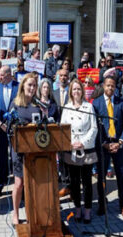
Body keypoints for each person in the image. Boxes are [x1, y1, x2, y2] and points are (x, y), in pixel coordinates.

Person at [0, 73, 40, 225]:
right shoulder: (16, 104)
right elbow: (10, 130)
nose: (32, 88)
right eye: (29, 85)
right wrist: (1, 125)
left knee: (32, 184)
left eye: (34, 85)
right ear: (23, 86)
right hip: (19, 150)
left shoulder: (38, 105)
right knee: (19, 183)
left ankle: (31, 212)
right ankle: (15, 213)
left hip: (34, 151)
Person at [93, 76, 123, 218]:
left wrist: (120, 142)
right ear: (103, 86)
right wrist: (104, 144)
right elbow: (94, 127)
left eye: (113, 86)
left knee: (122, 175)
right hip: (103, 144)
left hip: (118, 144)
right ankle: (102, 204)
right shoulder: (96, 104)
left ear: (115, 87)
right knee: (101, 176)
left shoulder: (121, 103)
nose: (110, 88)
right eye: (108, 85)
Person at [61, 79, 98, 223]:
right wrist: (71, 144)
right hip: (72, 149)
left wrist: (82, 143)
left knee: (87, 182)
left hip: (86, 148)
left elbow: (94, 128)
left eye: (78, 89)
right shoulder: (66, 107)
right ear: (70, 91)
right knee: (74, 182)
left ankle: (87, 210)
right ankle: (77, 209)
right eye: (74, 89)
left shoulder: (88, 107)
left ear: (82, 91)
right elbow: (62, 128)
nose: (76, 92)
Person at [0, 66, 19, 200]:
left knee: (16, 158)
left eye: (2, 75)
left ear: (9, 75)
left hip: (14, 128)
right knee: (0, 157)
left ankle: (20, 187)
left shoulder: (18, 87)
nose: (0, 77)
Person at [53, 69, 70, 197]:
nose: (63, 78)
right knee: (60, 156)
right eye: (61, 76)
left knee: (68, 156)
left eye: (65, 76)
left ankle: (69, 184)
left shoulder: (72, 92)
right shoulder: (53, 93)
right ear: (58, 78)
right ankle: (63, 181)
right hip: (57, 129)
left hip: (69, 128)